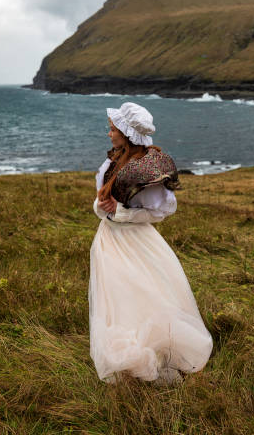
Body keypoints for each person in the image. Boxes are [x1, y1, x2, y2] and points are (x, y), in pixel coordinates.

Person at [89, 102, 213, 383]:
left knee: (144, 292)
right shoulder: (112, 161)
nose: (109, 134)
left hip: (135, 240)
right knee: (118, 296)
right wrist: (103, 208)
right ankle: (126, 350)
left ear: (127, 133)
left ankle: (155, 351)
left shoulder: (145, 170)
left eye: (113, 129)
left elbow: (163, 210)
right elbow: (100, 200)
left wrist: (120, 213)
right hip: (108, 239)